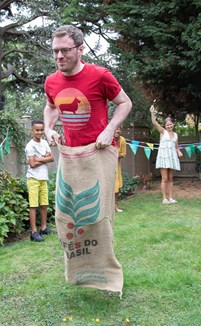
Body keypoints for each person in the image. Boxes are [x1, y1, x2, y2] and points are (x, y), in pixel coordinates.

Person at [43, 25, 132, 295]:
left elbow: (125, 103)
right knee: (67, 214)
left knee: (98, 216)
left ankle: (106, 274)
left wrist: (109, 129)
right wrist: (48, 128)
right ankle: (79, 272)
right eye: (55, 51)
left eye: (65, 50)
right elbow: (50, 107)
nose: (59, 56)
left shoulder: (100, 76)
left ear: (80, 49)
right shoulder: (51, 81)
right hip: (70, 156)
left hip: (99, 152)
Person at [25, 120, 54, 241]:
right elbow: (32, 164)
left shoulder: (45, 143)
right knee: (33, 205)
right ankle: (34, 232)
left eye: (41, 130)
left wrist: (39, 159)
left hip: (43, 178)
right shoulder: (30, 146)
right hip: (33, 179)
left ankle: (43, 228)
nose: (40, 132)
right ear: (32, 130)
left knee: (44, 204)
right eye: (37, 130)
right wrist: (44, 158)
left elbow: (52, 158)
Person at [150, 104, 183, 204]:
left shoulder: (176, 135)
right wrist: (152, 113)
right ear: (165, 126)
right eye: (167, 125)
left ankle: (170, 197)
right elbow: (154, 122)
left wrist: (179, 151)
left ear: (173, 124)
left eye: (170, 124)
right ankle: (164, 199)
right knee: (164, 179)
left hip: (172, 157)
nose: (169, 126)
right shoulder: (162, 132)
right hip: (164, 157)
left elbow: (176, 147)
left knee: (170, 178)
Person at [114, 127, 127, 212]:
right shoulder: (109, 139)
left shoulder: (122, 140)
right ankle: (108, 208)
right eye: (115, 129)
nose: (117, 131)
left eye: (118, 129)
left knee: (117, 186)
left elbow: (123, 153)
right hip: (107, 166)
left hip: (116, 165)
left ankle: (115, 206)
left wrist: (117, 156)